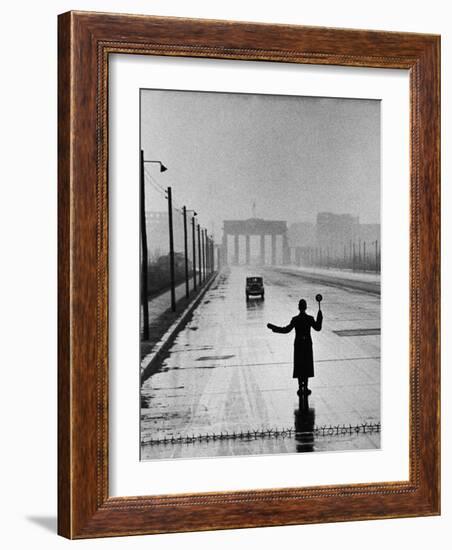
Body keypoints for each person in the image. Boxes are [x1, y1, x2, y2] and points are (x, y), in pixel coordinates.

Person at [267, 299, 323, 396]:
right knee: (306, 364)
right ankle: (305, 386)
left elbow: (286, 330)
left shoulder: (295, 319)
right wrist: (320, 317)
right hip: (307, 344)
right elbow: (318, 328)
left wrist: (274, 328)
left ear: (299, 307)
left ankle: (300, 386)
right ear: (305, 307)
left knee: (299, 364)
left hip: (298, 344)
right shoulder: (310, 319)